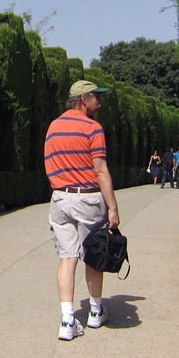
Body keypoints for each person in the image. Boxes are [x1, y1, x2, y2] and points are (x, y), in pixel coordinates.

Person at [44, 79, 120, 341]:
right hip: (86, 198)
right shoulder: (93, 128)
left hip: (59, 199)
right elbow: (100, 170)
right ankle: (96, 311)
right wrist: (112, 207)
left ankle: (67, 320)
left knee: (67, 257)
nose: (99, 103)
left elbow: (49, 164)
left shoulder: (53, 127)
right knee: (93, 254)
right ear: (83, 99)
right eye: (96, 97)